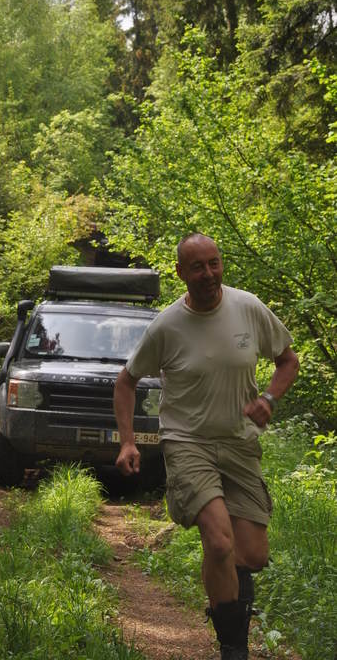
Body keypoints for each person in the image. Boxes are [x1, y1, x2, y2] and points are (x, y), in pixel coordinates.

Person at [113, 233, 299, 660]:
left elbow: (288, 360)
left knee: (251, 554)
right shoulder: (167, 325)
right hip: (188, 442)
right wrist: (127, 442)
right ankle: (234, 648)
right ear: (181, 272)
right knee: (218, 542)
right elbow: (126, 381)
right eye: (197, 267)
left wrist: (269, 399)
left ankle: (224, 606)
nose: (208, 274)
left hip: (239, 443)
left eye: (214, 263)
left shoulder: (248, 307)